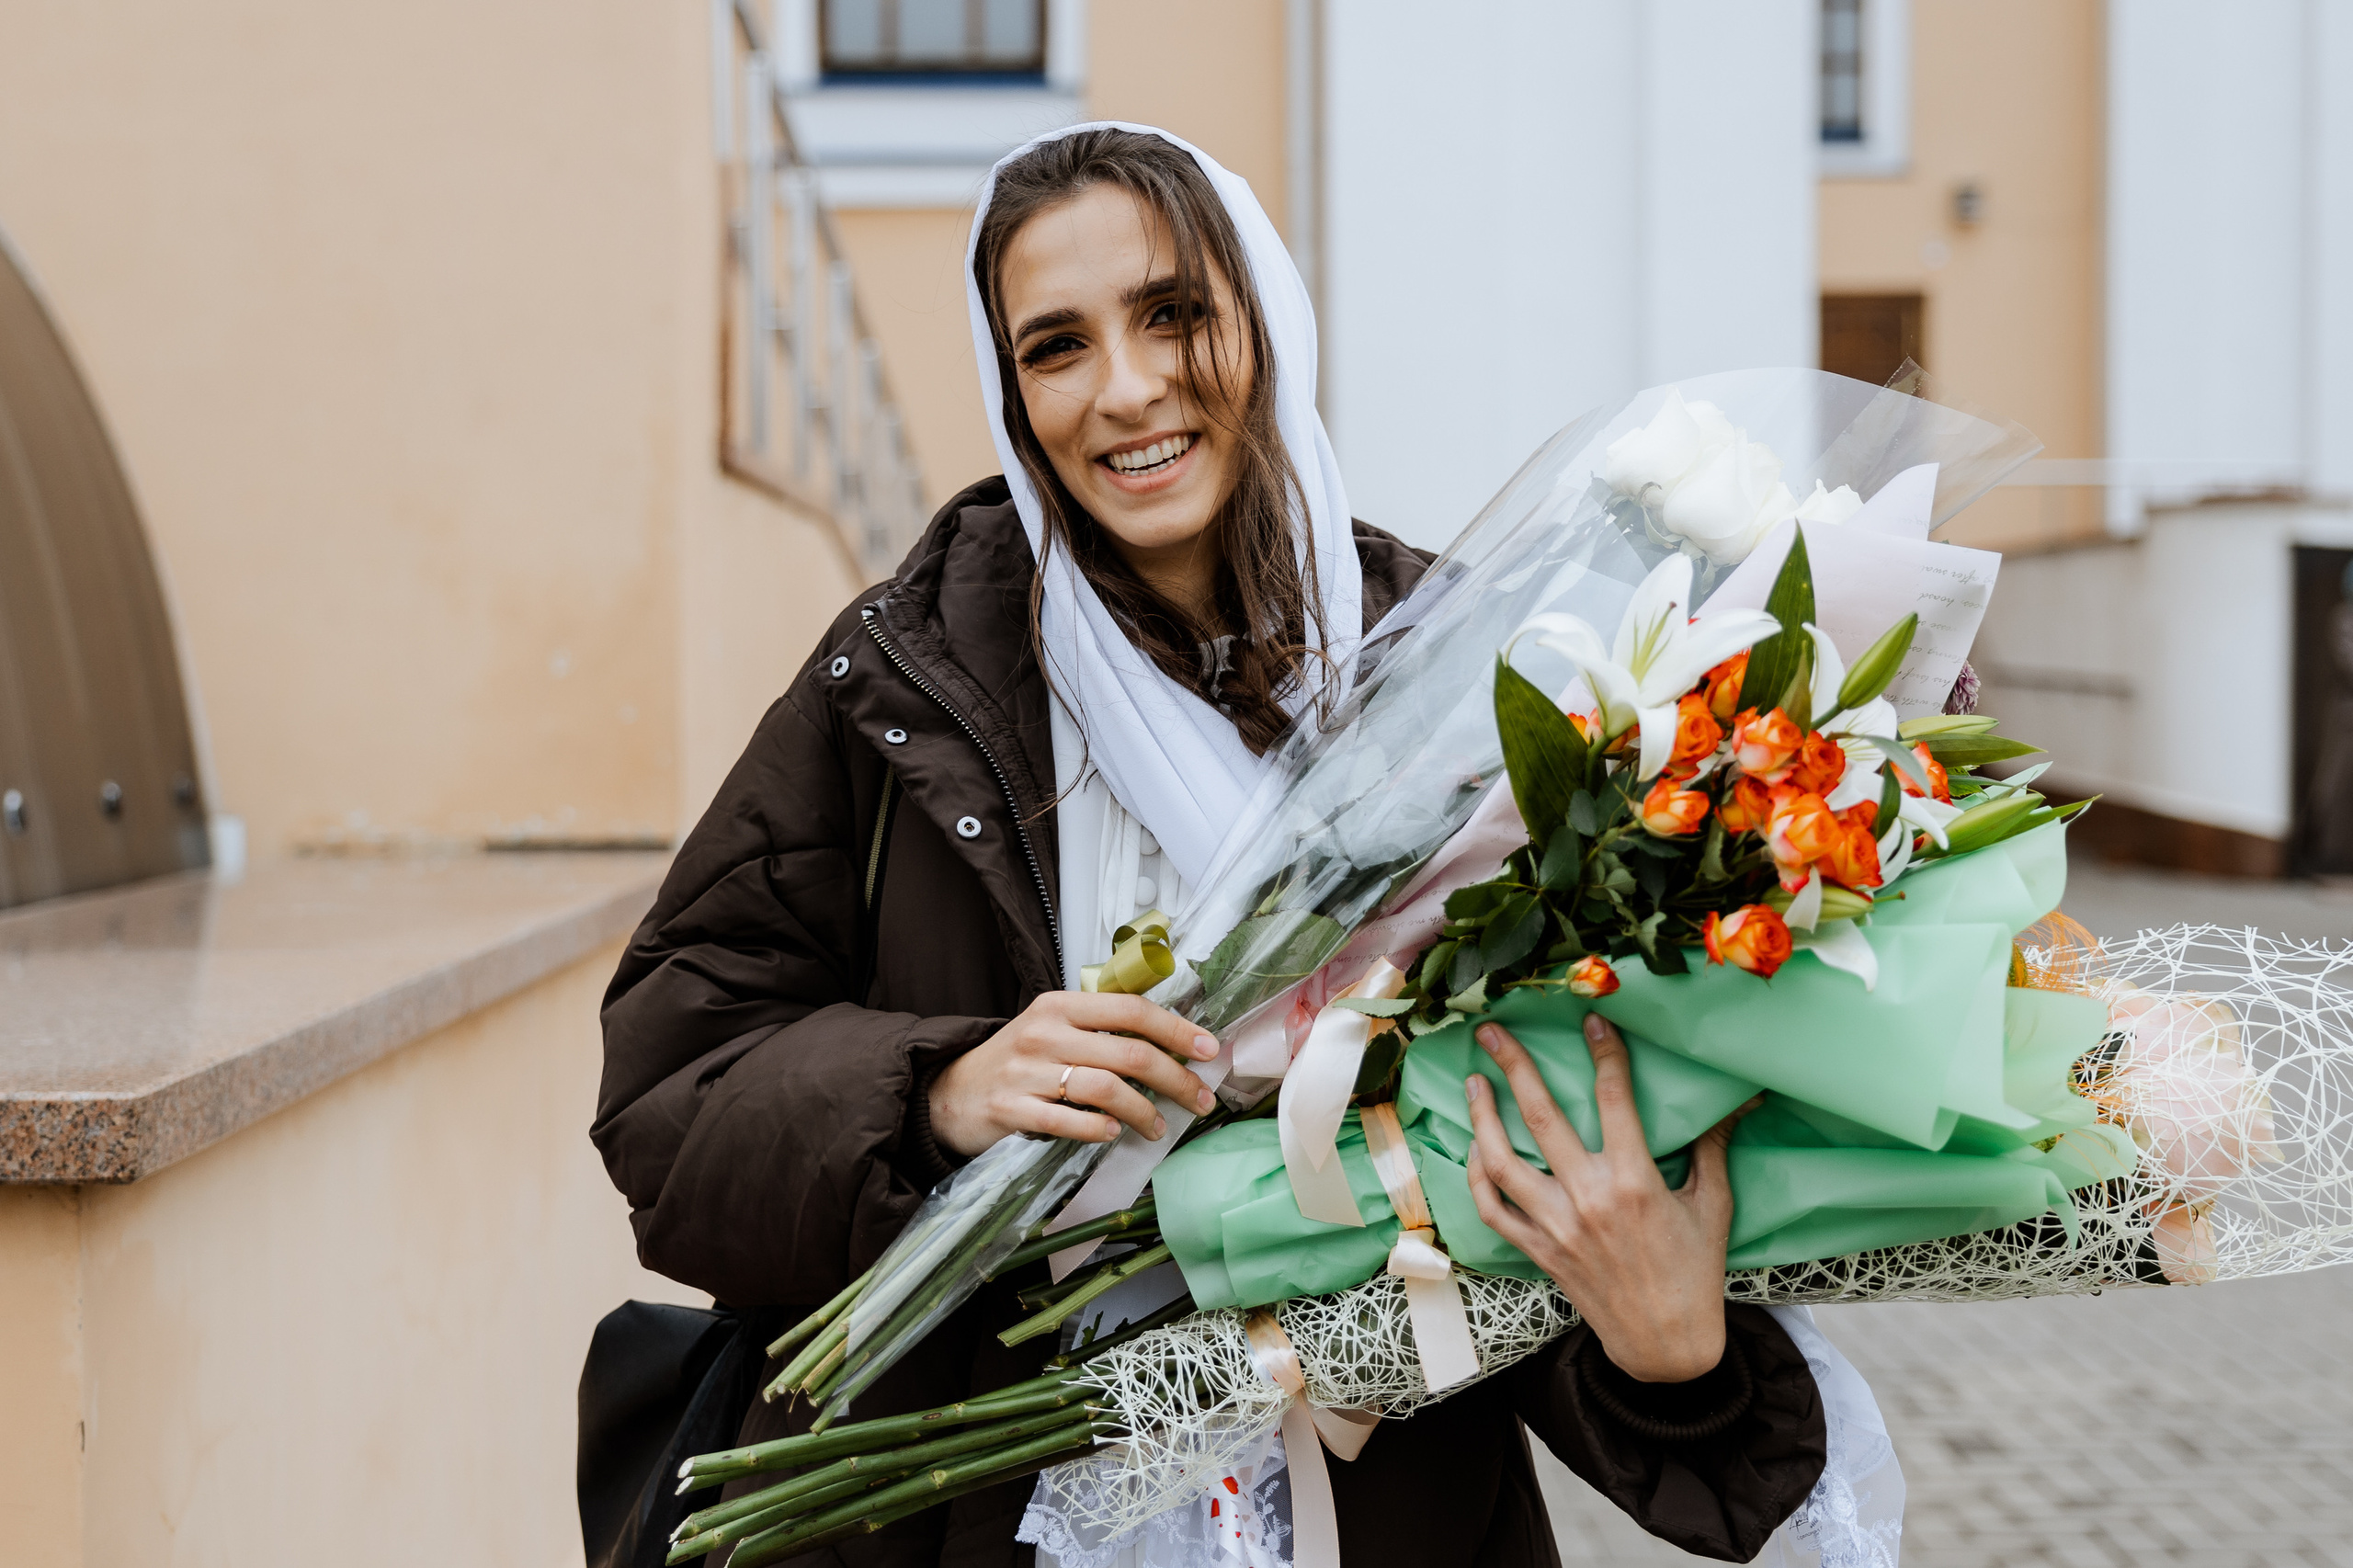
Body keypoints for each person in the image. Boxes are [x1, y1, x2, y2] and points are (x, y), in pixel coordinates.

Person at [597, 124, 1829, 1567]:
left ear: (1267, 317)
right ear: (1011, 394)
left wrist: (1677, 1356)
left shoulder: (1484, 681)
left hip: (1382, 1506)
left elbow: (1566, 1112)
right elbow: (671, 1095)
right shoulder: (905, 678)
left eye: (1175, 313)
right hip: (989, 1505)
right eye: (1055, 347)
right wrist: (939, 1092)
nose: (1125, 390)